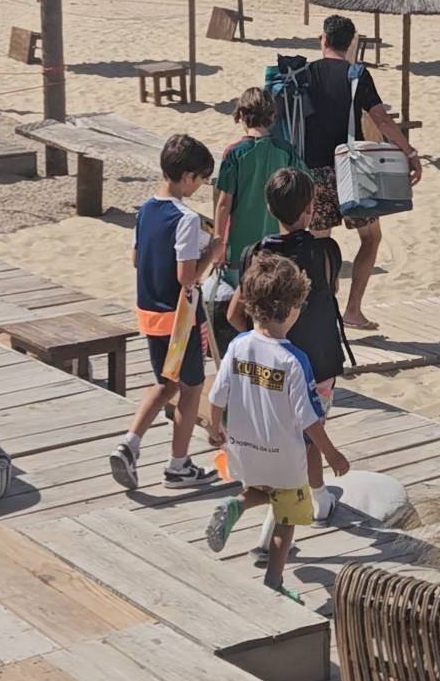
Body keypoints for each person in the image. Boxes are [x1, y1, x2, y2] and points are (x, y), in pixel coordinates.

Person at [205, 254, 349, 599]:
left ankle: (235, 504)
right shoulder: (293, 360)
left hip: (244, 448)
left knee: (263, 490)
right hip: (284, 455)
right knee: (288, 515)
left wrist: (214, 429)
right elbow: (308, 418)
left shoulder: (238, 346)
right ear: (292, 309)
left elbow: (217, 395)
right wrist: (331, 454)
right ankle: (274, 579)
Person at [228, 167, 346, 558]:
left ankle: (316, 497)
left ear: (269, 207)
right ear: (310, 208)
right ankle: (296, 516)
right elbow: (330, 294)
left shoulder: (255, 254)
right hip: (317, 362)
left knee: (283, 440)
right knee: (308, 436)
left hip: (268, 364)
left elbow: (233, 314)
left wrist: (259, 342)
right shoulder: (326, 252)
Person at [109, 134, 224, 492]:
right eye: (201, 179)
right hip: (180, 319)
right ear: (188, 176)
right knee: (190, 388)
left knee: (164, 382)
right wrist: (212, 254)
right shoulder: (186, 218)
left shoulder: (145, 209)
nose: (200, 186)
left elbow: (135, 258)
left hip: (149, 312)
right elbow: (186, 277)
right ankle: (178, 466)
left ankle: (129, 443)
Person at [303, 14, 422, 330]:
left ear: (323, 39)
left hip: (315, 171)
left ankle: (319, 312)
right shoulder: (357, 74)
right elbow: (381, 119)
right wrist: (408, 152)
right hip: (352, 171)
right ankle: (353, 310)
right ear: (351, 43)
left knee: (318, 243)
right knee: (371, 237)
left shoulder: (306, 73)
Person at [210, 88, 307, 357]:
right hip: (277, 246)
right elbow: (304, 186)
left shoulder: (235, 153)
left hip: (240, 247)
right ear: (272, 116)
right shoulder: (285, 150)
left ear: (241, 115)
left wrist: (219, 241)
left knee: (239, 310)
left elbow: (223, 203)